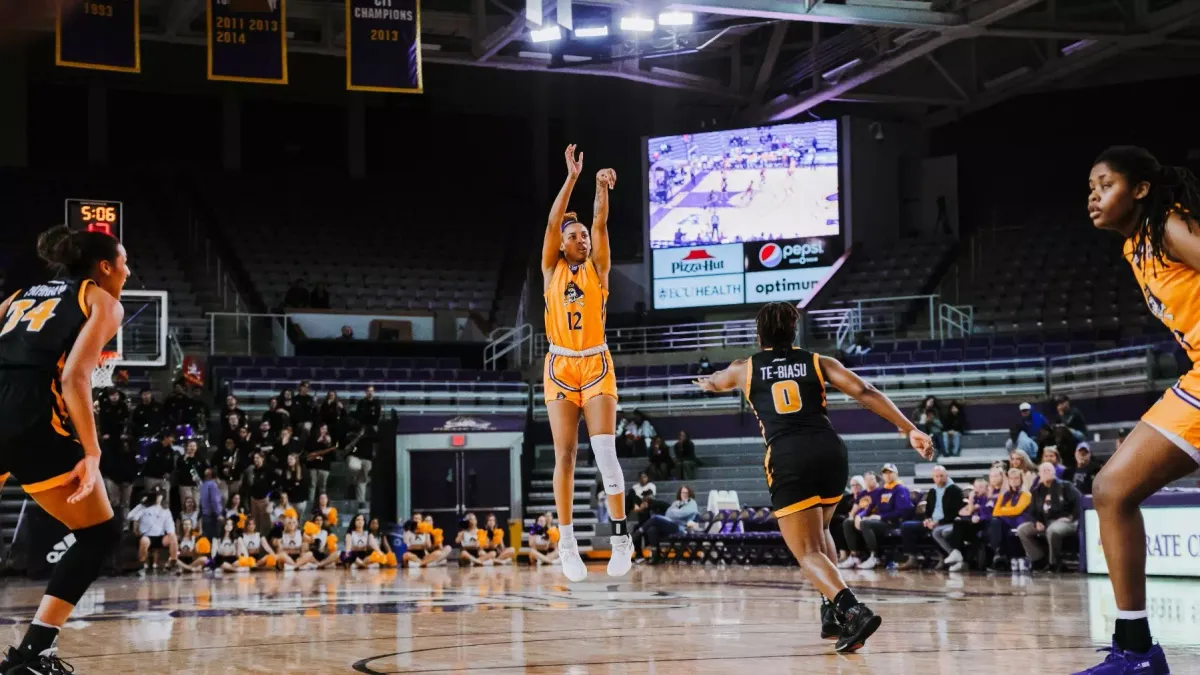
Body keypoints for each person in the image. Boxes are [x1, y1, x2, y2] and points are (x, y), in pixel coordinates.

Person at [694, 301, 933, 654]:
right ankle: (831, 610)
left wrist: (707, 382)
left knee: (805, 551)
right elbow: (866, 392)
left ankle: (852, 610)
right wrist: (909, 428)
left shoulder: (745, 369)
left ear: (759, 336)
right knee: (820, 532)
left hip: (789, 455)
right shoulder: (819, 362)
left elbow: (716, 382)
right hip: (829, 450)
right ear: (794, 332)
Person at [1075, 146, 1200, 674]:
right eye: (1089, 190)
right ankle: (1136, 651)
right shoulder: (1138, 246)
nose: (1093, 197)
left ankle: (1137, 654)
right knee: (1111, 490)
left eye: (1104, 184)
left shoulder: (1170, 226)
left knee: (1112, 488)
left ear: (1141, 189)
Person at [0, 227, 129, 675]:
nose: (129, 272)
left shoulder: (18, 295)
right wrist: (92, 454)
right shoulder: (102, 301)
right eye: (124, 262)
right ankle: (33, 652)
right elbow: (76, 377)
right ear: (105, 266)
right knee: (99, 534)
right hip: (31, 415)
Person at [540, 144, 631, 582]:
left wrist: (598, 184)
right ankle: (567, 542)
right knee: (566, 455)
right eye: (574, 236)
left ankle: (620, 538)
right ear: (562, 242)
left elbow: (600, 220)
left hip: (595, 364)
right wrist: (573, 176)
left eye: (584, 237)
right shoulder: (549, 270)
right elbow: (555, 220)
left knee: (604, 451)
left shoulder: (598, 269)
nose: (582, 239)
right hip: (560, 366)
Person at [1016, 462, 1081, 573]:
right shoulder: (1036, 490)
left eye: (1049, 470)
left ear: (1054, 472)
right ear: (1039, 474)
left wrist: (1071, 517)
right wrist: (1036, 522)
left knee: (1053, 530)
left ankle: (1054, 563)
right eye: (1044, 470)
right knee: (1022, 530)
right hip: (1046, 521)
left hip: (1066, 521)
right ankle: (1038, 560)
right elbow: (1031, 511)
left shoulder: (1066, 486)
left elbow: (1079, 502)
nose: (1046, 472)